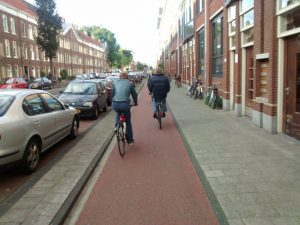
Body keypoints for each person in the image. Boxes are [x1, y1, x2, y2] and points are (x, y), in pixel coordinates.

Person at [112, 72, 138, 145]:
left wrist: (113, 102)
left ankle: (116, 127)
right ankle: (130, 140)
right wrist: (135, 103)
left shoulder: (115, 83)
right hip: (125, 105)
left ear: (119, 77)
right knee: (128, 121)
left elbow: (112, 94)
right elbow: (134, 95)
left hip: (115, 104)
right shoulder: (130, 84)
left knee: (118, 113)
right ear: (127, 77)